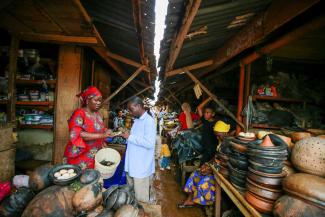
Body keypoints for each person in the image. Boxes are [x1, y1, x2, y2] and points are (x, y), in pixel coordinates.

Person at [178, 119, 231, 208]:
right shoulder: (221, 142)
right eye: (216, 136)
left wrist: (210, 170)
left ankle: (204, 202)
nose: (217, 138)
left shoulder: (230, 145)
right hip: (214, 168)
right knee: (195, 174)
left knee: (203, 183)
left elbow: (226, 164)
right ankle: (189, 200)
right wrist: (207, 164)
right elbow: (216, 156)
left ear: (225, 133)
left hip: (222, 173)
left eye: (219, 135)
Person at [63, 86, 112, 170]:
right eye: (96, 100)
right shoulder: (79, 113)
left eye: (100, 100)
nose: (98, 103)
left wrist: (105, 131)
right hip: (80, 156)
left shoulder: (98, 115)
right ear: (87, 100)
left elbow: (98, 130)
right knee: (78, 180)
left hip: (93, 156)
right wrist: (103, 135)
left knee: (90, 179)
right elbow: (79, 134)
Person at [121, 97, 156, 203]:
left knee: (141, 200)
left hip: (141, 167)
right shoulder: (137, 120)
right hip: (133, 165)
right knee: (132, 196)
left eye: (132, 109)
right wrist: (128, 135)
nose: (130, 112)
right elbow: (137, 138)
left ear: (139, 106)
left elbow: (149, 143)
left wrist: (129, 137)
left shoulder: (148, 121)